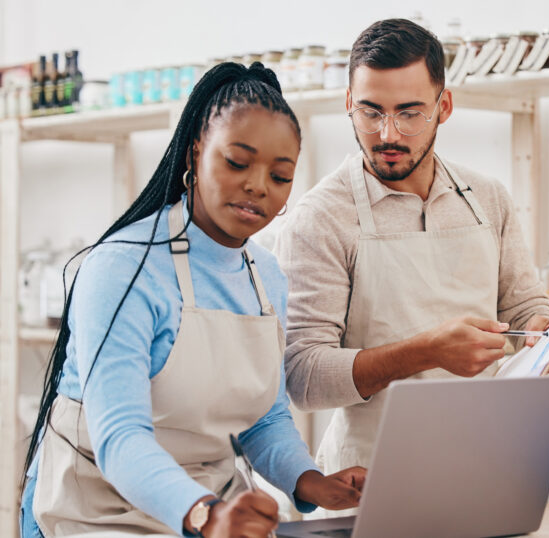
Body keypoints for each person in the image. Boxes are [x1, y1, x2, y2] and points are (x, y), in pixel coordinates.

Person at [19, 62, 365, 538]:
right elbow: (119, 439)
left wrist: (311, 483)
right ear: (196, 153)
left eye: (280, 176)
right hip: (94, 507)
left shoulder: (265, 277)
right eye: (237, 163)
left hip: (212, 505)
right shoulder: (124, 268)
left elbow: (263, 417)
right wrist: (204, 515)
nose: (258, 186)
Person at [275, 18, 549, 497]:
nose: (388, 133)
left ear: (443, 106)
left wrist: (542, 332)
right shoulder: (319, 219)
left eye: (410, 113)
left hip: (490, 466)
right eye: (370, 112)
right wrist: (426, 353)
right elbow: (303, 377)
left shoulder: (488, 198)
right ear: (348, 103)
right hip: (370, 484)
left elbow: (525, 306)